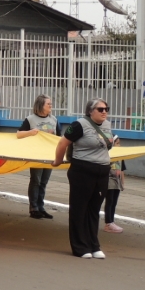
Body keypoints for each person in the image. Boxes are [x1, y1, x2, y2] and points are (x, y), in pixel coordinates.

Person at [52, 98, 117, 259]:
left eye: (106, 109)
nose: (104, 112)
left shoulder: (107, 125)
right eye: (100, 109)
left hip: (102, 172)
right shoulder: (79, 125)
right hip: (82, 171)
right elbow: (62, 143)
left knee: (94, 210)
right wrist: (58, 161)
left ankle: (94, 245)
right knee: (79, 209)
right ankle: (80, 246)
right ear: (90, 111)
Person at [17, 94, 58, 219]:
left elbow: (58, 137)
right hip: (36, 155)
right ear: (41, 105)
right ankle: (33, 207)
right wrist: (30, 132)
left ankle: (41, 207)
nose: (51, 106)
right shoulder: (30, 119)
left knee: (44, 182)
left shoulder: (54, 120)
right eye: (48, 104)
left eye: (51, 104)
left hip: (49, 155)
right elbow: (19, 134)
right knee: (36, 180)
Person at [103, 160, 125, 233]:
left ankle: (111, 221)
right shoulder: (108, 155)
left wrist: (122, 183)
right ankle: (108, 223)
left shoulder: (121, 157)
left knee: (114, 202)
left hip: (117, 182)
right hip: (109, 181)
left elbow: (122, 170)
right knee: (110, 201)